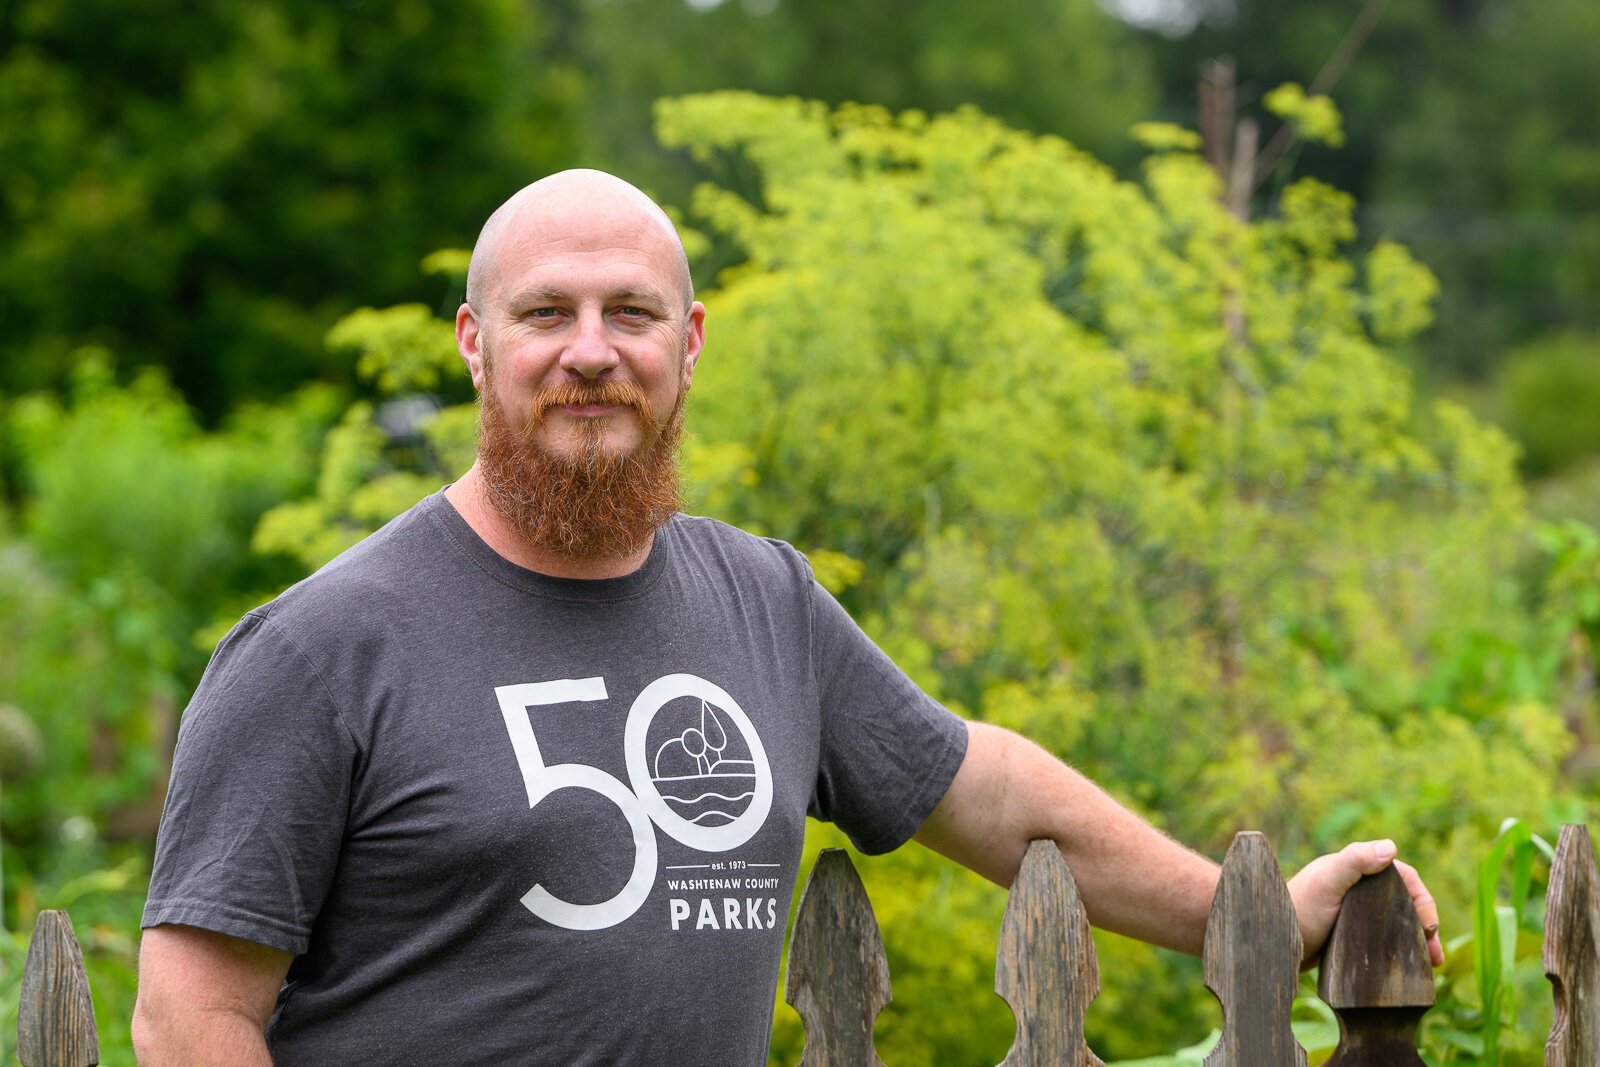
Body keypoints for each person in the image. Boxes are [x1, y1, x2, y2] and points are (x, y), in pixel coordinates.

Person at [132, 170, 1442, 1066]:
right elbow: (188, 1012)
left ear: (689, 341)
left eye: (631, 313)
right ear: (475, 343)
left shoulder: (763, 601)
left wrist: (1249, 910)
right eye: (547, 314)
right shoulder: (320, 649)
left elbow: (986, 792)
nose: (592, 349)